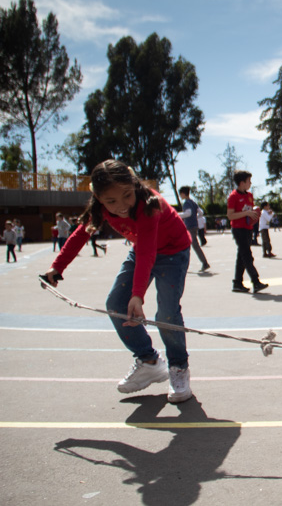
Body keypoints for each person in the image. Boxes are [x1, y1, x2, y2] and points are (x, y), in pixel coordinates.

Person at [43, 160, 194, 402]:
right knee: (115, 304)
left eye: (126, 196)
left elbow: (146, 250)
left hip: (173, 252)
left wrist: (138, 295)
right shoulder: (98, 210)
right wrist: (57, 267)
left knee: (166, 313)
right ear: (98, 198)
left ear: (134, 184)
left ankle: (178, 367)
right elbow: (81, 234)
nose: (121, 206)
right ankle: (149, 361)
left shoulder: (150, 204)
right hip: (142, 250)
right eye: (111, 202)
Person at [227, 171, 269, 293]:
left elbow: (250, 211)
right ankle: (255, 281)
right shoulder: (233, 196)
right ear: (242, 183)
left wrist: (255, 213)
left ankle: (237, 283)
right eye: (248, 181)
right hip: (238, 230)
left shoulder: (249, 195)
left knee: (241, 257)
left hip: (248, 229)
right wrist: (246, 213)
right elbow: (230, 215)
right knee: (247, 256)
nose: (250, 183)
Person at [178, 186, 210, 272]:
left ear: (183, 194)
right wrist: (195, 218)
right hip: (194, 225)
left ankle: (204, 263)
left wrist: (177, 215)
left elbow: (188, 213)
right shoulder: (193, 202)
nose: (180, 196)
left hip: (190, 226)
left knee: (193, 245)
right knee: (191, 245)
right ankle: (203, 263)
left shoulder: (186, 203)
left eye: (180, 194)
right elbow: (201, 212)